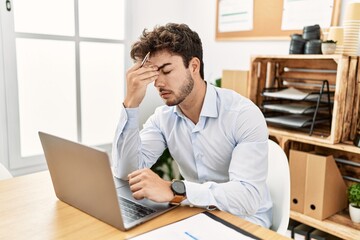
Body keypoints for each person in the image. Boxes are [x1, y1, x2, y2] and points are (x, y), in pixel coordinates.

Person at [112, 23, 272, 228]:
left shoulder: (243, 115)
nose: (157, 83)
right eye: (153, 74)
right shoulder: (163, 117)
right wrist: (131, 102)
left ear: (194, 66)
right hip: (197, 213)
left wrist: (175, 190)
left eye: (166, 70)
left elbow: (247, 198)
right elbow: (127, 172)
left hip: (245, 220)